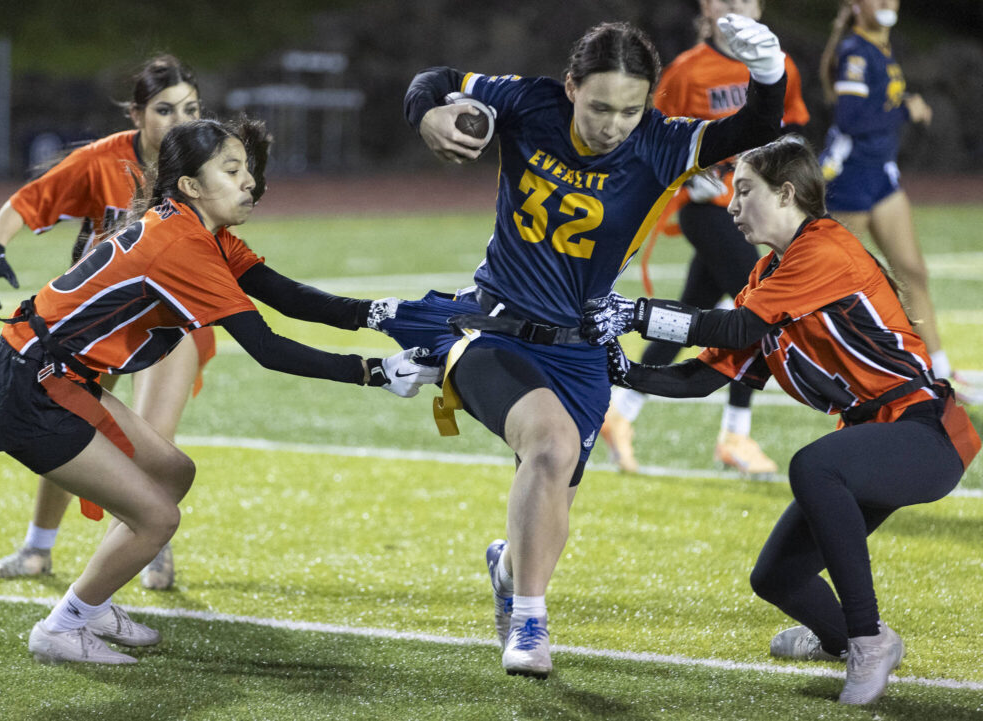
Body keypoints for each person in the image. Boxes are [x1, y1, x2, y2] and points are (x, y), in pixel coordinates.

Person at [382, 16, 788, 678]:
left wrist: (767, 69)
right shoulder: (530, 102)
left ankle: (507, 569)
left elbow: (757, 126)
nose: (613, 125)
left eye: (630, 110)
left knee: (550, 501)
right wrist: (427, 113)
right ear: (571, 87)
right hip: (493, 325)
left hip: (579, 349)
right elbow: (438, 79)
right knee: (551, 447)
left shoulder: (659, 143)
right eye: (599, 106)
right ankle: (530, 623)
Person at [0, 117, 440, 665]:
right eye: (232, 170)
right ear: (191, 186)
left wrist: (383, 313)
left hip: (49, 372)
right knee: (159, 518)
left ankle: (91, 604)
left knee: (174, 474)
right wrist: (374, 372)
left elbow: (286, 295)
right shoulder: (183, 244)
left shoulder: (198, 230)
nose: (250, 181)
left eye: (247, 169)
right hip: (31, 384)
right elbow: (267, 348)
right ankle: (61, 627)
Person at [580, 135, 979, 705]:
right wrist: (623, 371)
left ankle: (866, 639)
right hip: (876, 434)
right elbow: (705, 376)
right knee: (777, 579)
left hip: (925, 432)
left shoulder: (823, 248)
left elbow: (736, 328)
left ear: (787, 194)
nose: (732, 205)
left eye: (745, 191)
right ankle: (848, 639)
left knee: (814, 467)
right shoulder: (770, 275)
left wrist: (636, 314)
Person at [0, 55, 206, 590]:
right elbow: (26, 202)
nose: (180, 121)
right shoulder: (103, 160)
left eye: (191, 109)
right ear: (137, 114)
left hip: (167, 326)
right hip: (93, 326)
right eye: (165, 109)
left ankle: (148, 542)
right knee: (67, 434)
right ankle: (38, 548)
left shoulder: (205, 165)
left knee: (152, 446)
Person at [600, 0, 809, 477]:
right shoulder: (687, 71)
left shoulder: (777, 63)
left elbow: (795, 129)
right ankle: (735, 433)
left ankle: (621, 411)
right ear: (706, 8)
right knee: (759, 315)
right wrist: (686, 173)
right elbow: (648, 137)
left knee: (691, 312)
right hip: (709, 211)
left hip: (753, 214)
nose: (734, 6)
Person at [819, 0, 979, 404]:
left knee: (912, 272)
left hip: (881, 175)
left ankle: (938, 375)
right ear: (856, 6)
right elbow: (851, 118)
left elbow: (875, 104)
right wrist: (906, 110)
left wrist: (900, 105)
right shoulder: (856, 51)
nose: (887, 2)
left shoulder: (880, 47)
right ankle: (823, 367)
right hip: (851, 179)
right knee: (836, 286)